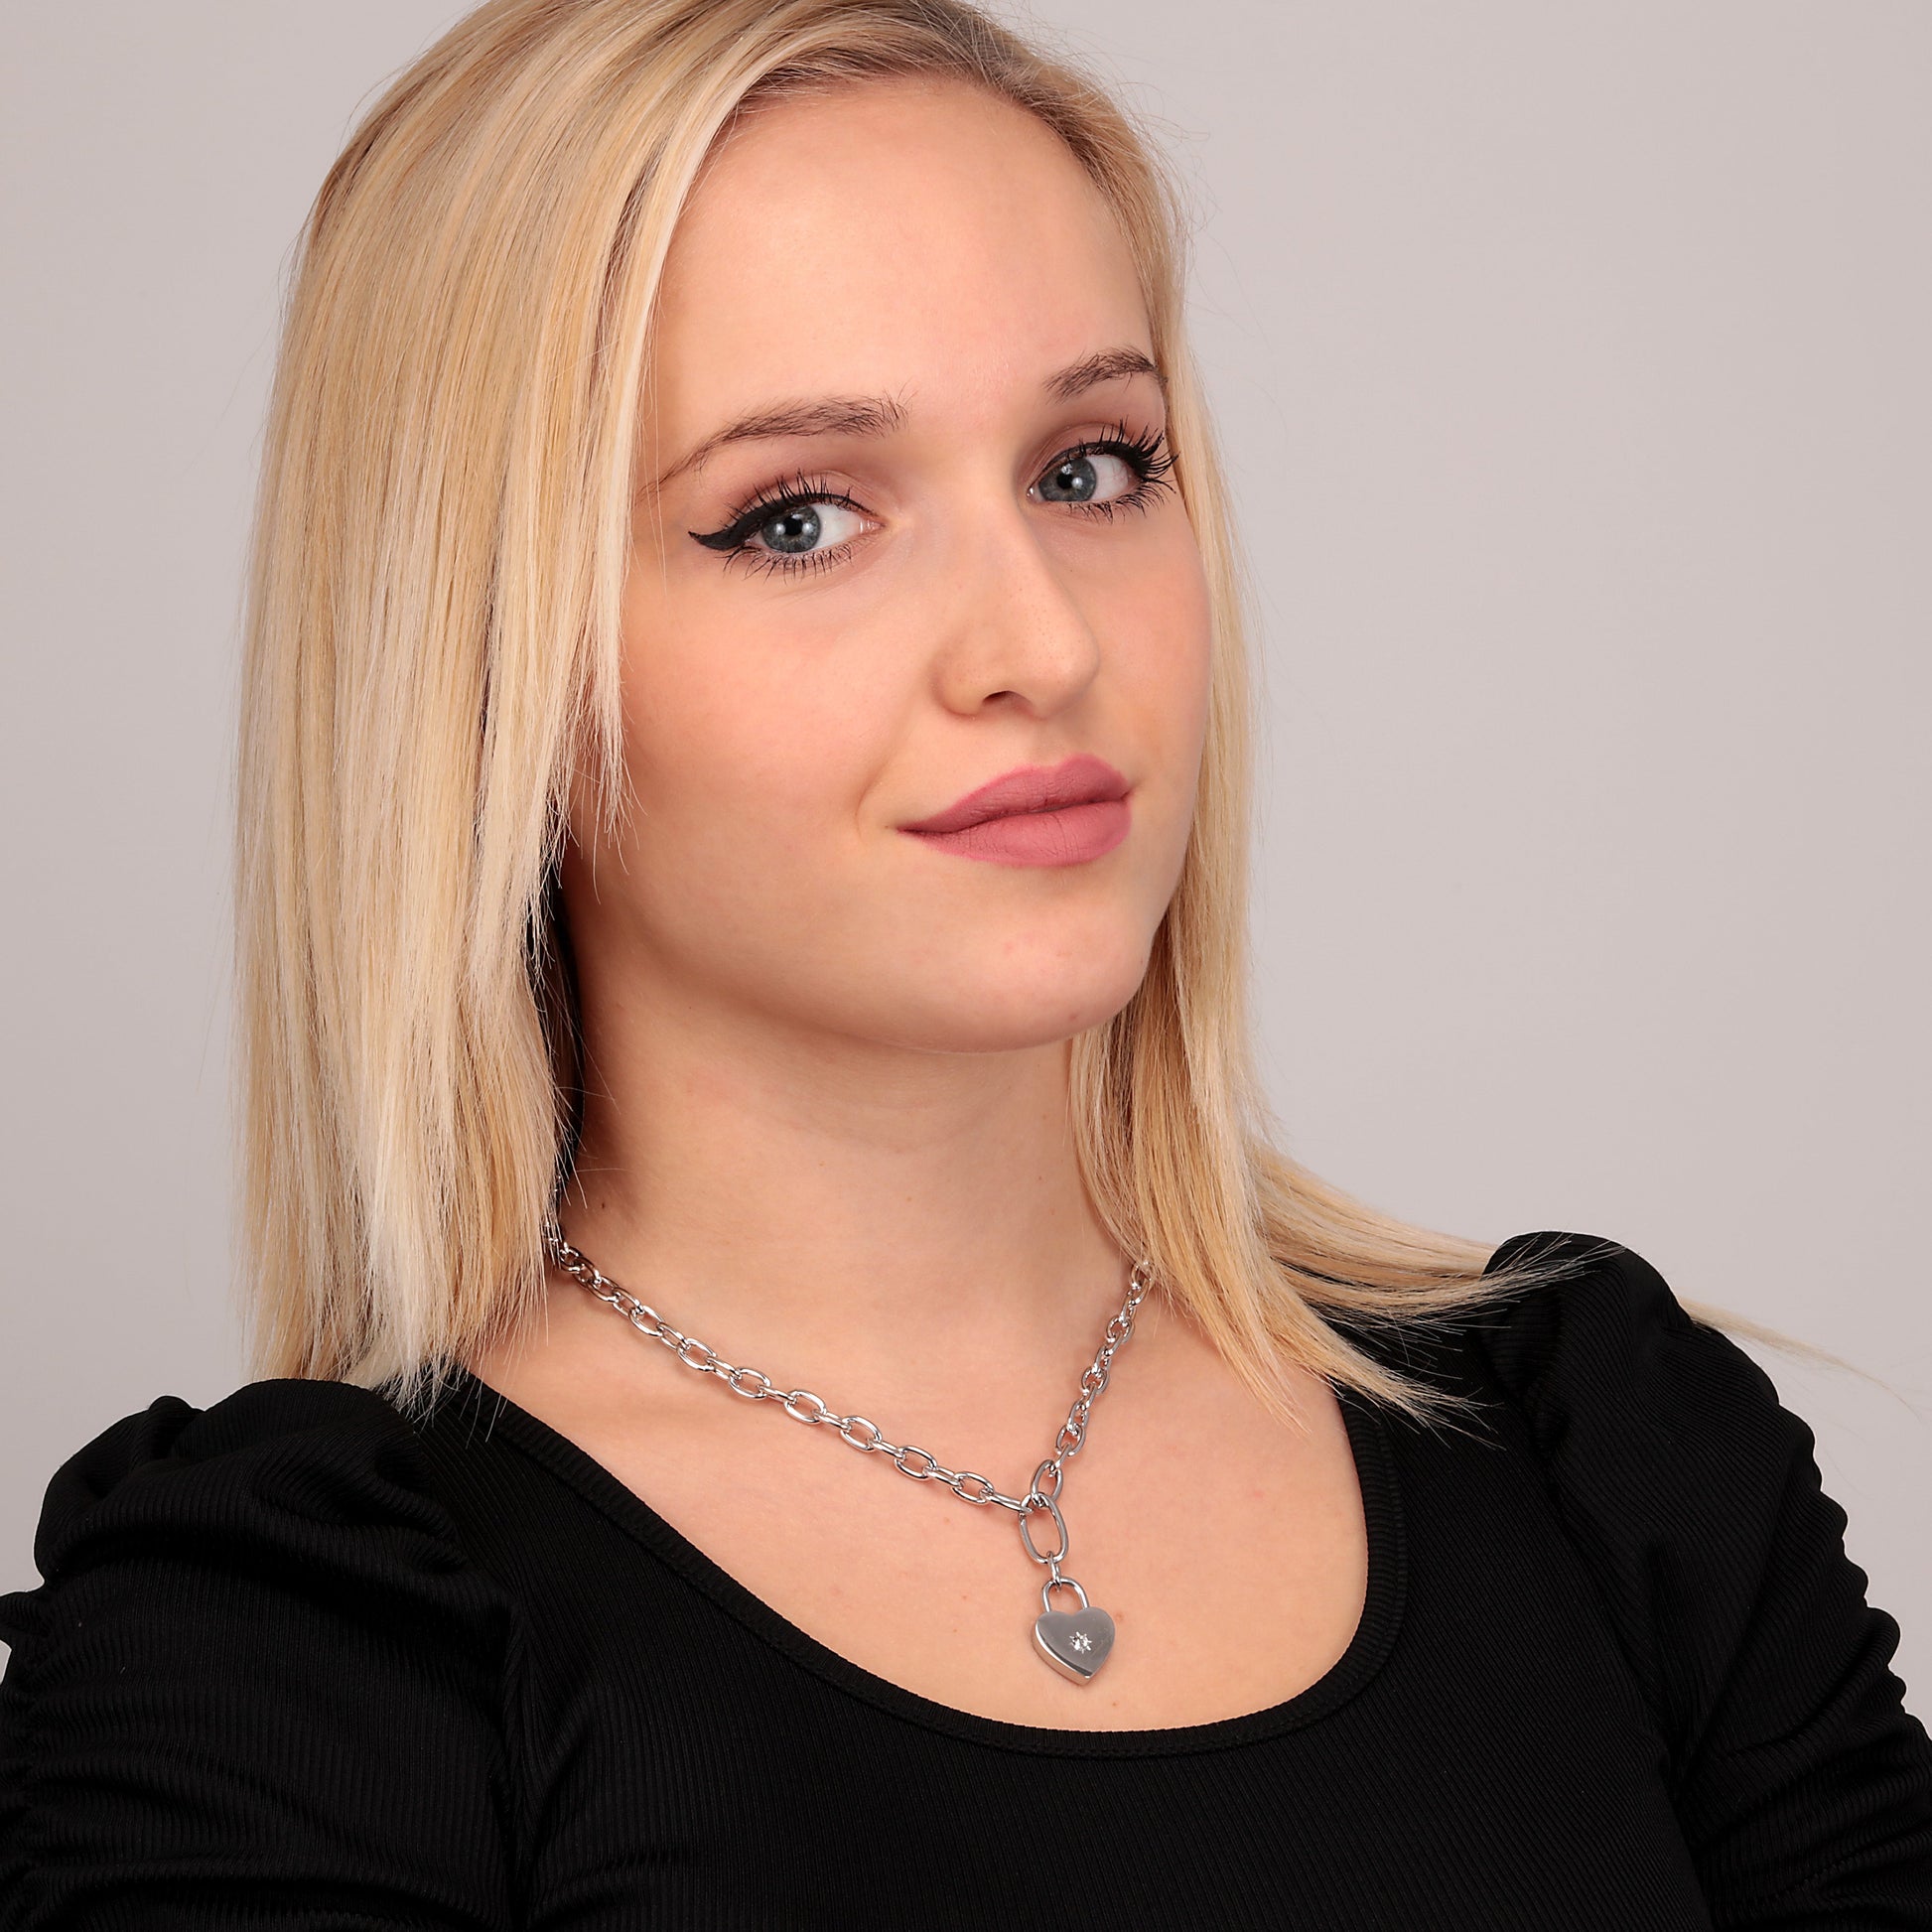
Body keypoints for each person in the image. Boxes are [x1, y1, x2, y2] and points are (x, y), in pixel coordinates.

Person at [3, 0, 1928, 1923]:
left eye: (1091, 468)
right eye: (798, 517)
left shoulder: (1606, 1461)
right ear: (488, 666)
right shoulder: (289, 1653)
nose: (1040, 645)